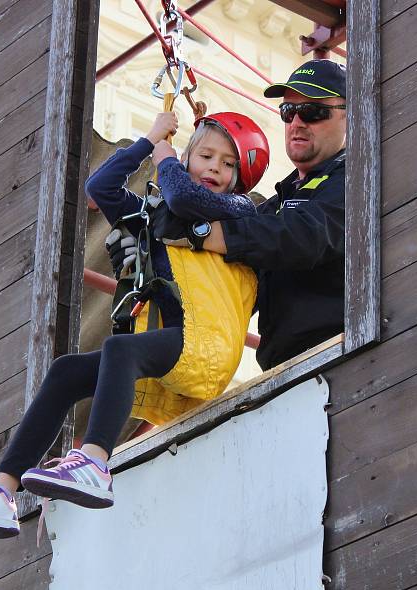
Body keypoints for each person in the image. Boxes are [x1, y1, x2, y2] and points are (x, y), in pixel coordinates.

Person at [0, 110, 269, 539]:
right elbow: (100, 188)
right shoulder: (156, 215)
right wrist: (149, 140)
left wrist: (165, 157)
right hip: (172, 344)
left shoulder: (238, 211)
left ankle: (93, 462)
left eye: (227, 165)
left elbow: (184, 199)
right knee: (67, 372)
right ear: (190, 156)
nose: (215, 169)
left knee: (119, 349)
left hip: (208, 346)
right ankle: (1, 492)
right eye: (206, 156)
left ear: (240, 181)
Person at [126, 59, 347, 371]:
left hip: (340, 357)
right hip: (283, 368)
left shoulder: (355, 176)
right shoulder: (278, 203)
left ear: (350, 117)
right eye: (288, 112)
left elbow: (303, 236)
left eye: (312, 112)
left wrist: (201, 233)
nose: (297, 122)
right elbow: (178, 220)